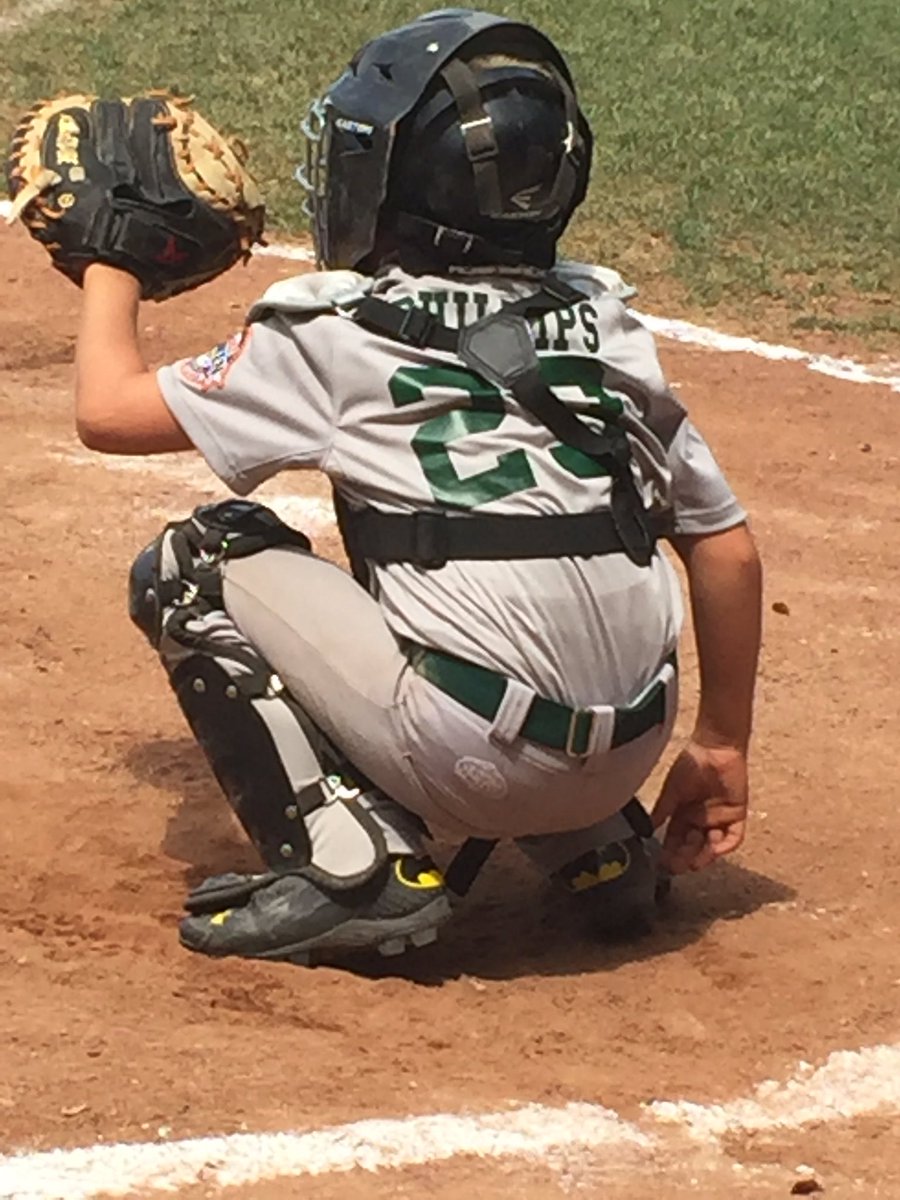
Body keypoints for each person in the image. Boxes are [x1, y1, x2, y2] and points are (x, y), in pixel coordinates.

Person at [73, 8, 762, 966]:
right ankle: (595, 846)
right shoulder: (609, 327)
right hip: (630, 760)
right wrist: (721, 748)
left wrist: (110, 262)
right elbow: (725, 547)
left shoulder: (339, 333)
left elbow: (106, 412)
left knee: (201, 560)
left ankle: (355, 865)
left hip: (474, 759)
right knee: (481, 538)